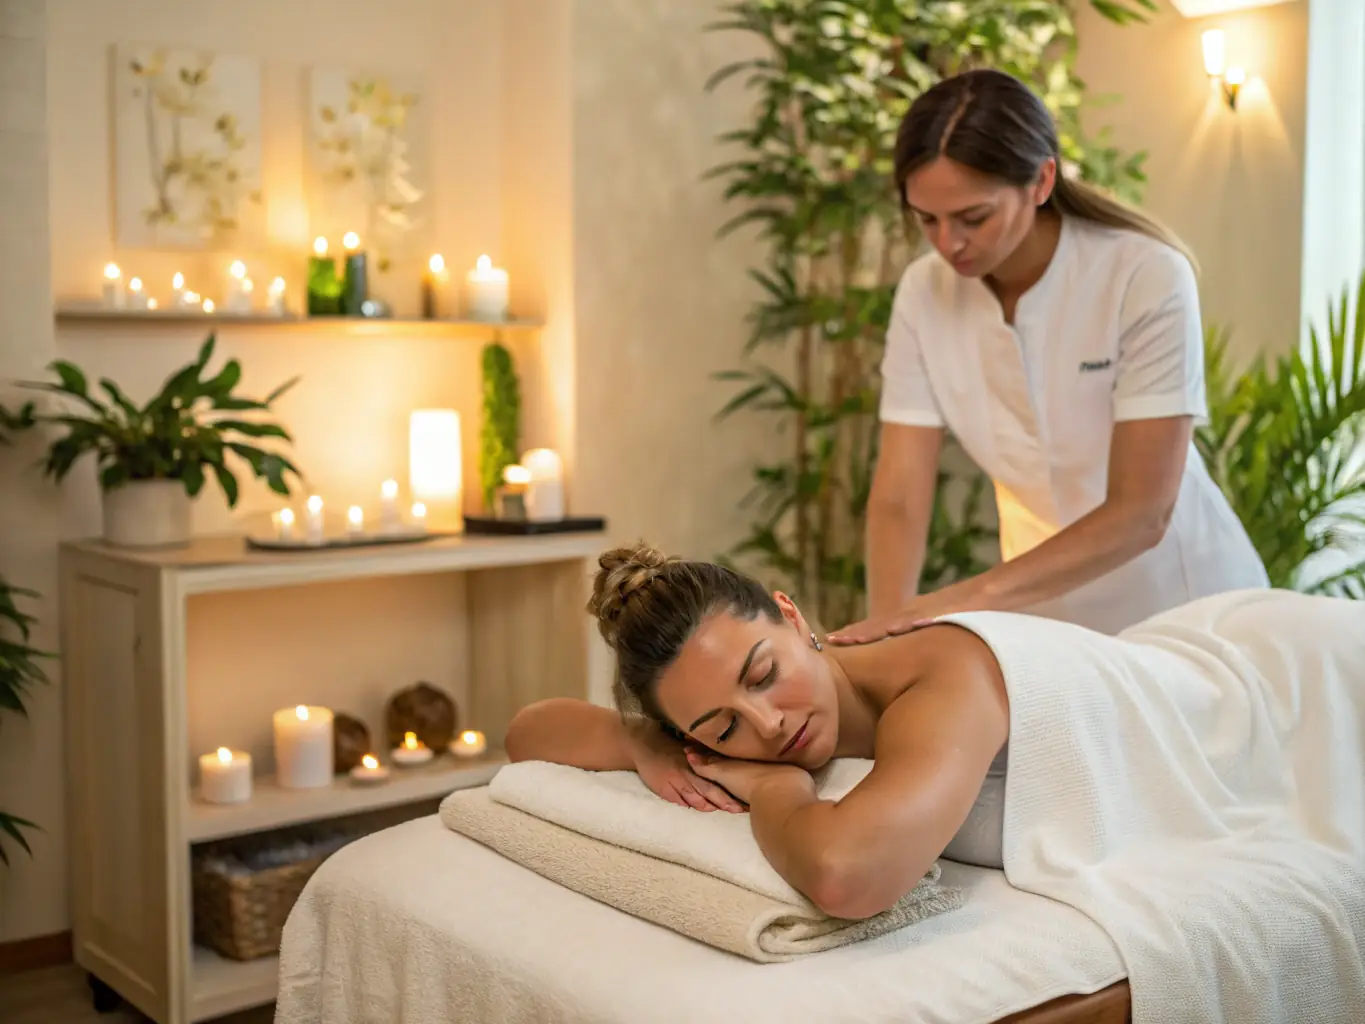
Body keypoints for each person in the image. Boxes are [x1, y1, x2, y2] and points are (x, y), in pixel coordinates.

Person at [504, 543, 1361, 922]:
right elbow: (528, 729)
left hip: (1283, 695)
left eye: (762, 674)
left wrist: (772, 793)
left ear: (793, 616)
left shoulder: (940, 673)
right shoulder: (714, 730)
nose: (767, 725)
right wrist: (646, 744)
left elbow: (846, 874)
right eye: (719, 724)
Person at [828, 68, 1267, 645]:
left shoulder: (1143, 274)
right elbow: (899, 497)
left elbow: (1142, 512)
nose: (947, 244)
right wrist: (883, 637)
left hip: (1186, 606)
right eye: (926, 219)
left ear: (1041, 181)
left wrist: (955, 603)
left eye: (972, 217)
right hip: (1044, 619)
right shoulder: (923, 293)